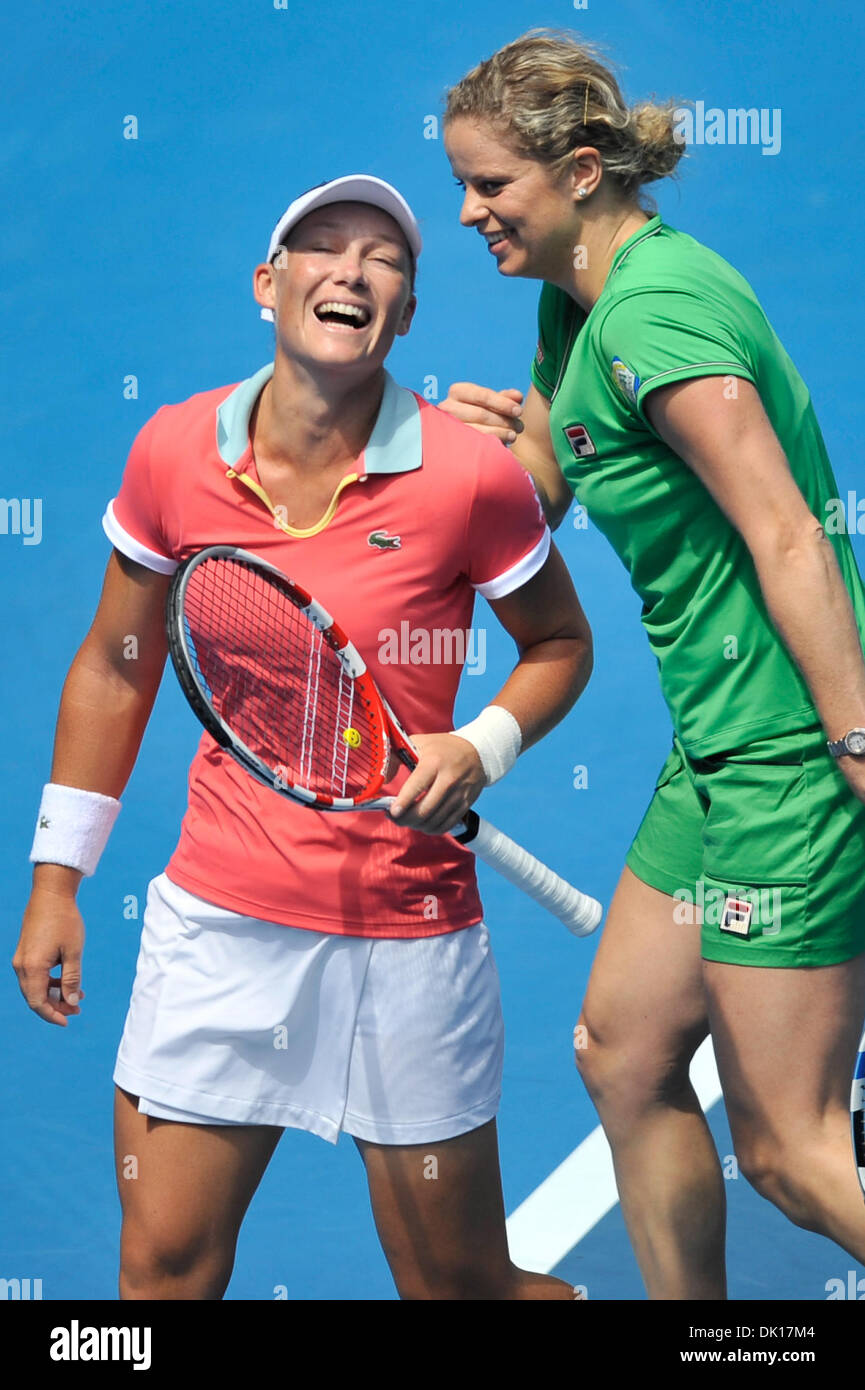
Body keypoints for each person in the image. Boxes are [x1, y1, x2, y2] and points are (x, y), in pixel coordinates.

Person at [13, 174, 593, 1301]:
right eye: (321, 248)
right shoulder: (174, 451)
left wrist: (479, 746)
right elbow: (114, 665)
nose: (352, 270)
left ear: (407, 315)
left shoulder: (470, 476)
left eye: (383, 260)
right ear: (267, 286)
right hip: (224, 922)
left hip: (409, 931)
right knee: (163, 1269)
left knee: (460, 1284)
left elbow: (560, 643)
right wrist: (57, 877)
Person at [441, 30, 865, 1299]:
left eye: (491, 188)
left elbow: (783, 530)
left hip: (790, 750)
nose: (468, 212)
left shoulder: (655, 312)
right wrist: (475, 449)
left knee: (790, 1149)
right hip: (713, 754)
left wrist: (854, 743)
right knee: (623, 1054)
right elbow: (555, 485)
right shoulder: (570, 306)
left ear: (579, 172)